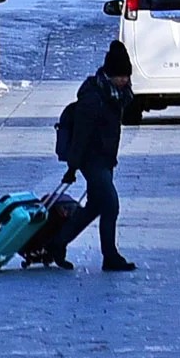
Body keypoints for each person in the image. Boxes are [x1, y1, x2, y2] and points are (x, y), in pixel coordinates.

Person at [54, 40, 137, 272]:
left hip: (106, 158)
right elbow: (80, 136)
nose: (125, 80)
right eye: (120, 76)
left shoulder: (117, 95)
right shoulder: (93, 98)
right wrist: (73, 167)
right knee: (110, 204)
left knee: (95, 206)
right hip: (92, 160)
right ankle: (110, 256)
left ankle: (57, 243)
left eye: (127, 76)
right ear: (109, 75)